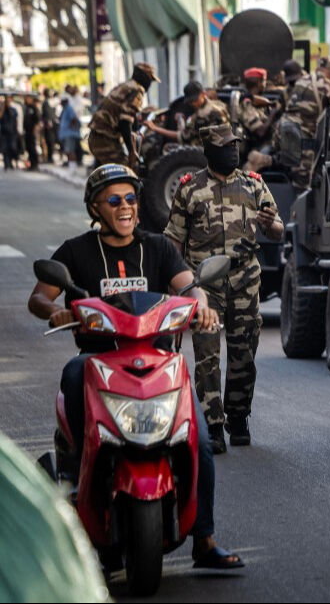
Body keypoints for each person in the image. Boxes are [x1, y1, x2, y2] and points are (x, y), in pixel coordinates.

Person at [26, 164, 242, 569]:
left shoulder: (158, 247)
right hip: (100, 359)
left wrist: (204, 308)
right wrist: (54, 311)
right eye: (113, 200)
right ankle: (76, 468)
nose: (125, 207)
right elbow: (39, 296)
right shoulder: (76, 251)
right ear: (95, 207)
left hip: (158, 360)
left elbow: (188, 286)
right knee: (73, 372)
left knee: (197, 438)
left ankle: (204, 539)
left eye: (130, 198)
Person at [165, 124, 283, 451]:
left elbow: (278, 229)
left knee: (244, 353)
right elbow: (173, 241)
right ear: (209, 151)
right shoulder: (189, 189)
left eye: (235, 145)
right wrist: (175, 288)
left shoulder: (253, 185)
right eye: (225, 146)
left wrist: (269, 223)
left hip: (245, 281)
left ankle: (238, 416)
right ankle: (213, 425)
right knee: (207, 355)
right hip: (204, 286)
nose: (232, 151)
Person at [261, 56, 330, 189]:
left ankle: (263, 161)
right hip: (302, 142)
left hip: (284, 134)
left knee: (290, 176)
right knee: (303, 188)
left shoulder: (300, 82)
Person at [87, 62, 157, 167]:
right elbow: (124, 122)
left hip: (96, 136)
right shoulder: (137, 90)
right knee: (125, 172)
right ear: (144, 78)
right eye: (150, 80)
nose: (150, 84)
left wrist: (136, 130)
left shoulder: (126, 86)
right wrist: (132, 151)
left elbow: (130, 115)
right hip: (106, 138)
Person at [147, 81, 230, 146]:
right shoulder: (218, 105)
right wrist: (182, 120)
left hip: (211, 152)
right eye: (190, 102)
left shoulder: (203, 115)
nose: (193, 104)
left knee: (168, 148)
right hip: (221, 146)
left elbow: (183, 137)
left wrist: (155, 128)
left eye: (195, 100)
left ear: (203, 94)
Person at [233, 68, 280, 154]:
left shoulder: (257, 102)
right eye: (264, 81)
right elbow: (260, 132)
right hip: (257, 149)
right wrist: (273, 113)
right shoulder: (247, 104)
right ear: (259, 83)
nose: (265, 84)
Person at [57, 93, 82, 167]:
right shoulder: (64, 109)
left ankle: (73, 167)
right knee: (68, 151)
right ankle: (70, 165)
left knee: (70, 151)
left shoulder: (69, 108)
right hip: (65, 134)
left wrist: (71, 127)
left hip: (69, 134)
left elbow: (74, 119)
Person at [22, 93, 41, 171]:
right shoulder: (25, 107)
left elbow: (37, 120)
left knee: (32, 148)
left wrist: (35, 130)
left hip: (32, 131)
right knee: (29, 148)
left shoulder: (33, 108)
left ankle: (35, 164)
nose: (26, 100)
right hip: (27, 131)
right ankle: (31, 165)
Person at [1, 96, 20, 170]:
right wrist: (3, 107)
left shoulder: (13, 109)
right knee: (5, 149)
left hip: (12, 132)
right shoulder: (2, 109)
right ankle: (7, 163)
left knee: (13, 147)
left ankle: (12, 161)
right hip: (4, 132)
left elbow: (16, 119)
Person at [40, 89, 58, 165]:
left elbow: (48, 114)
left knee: (50, 141)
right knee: (49, 141)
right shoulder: (49, 102)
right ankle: (49, 157)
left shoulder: (47, 102)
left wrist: (48, 122)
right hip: (50, 125)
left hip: (50, 125)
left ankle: (50, 157)